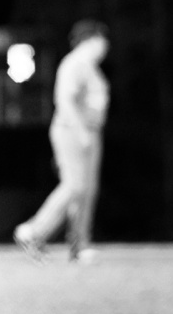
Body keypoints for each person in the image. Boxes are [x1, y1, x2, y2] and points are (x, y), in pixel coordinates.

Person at [12, 19, 110, 263]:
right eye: (102, 40)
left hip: (88, 131)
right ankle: (33, 231)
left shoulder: (89, 66)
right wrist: (80, 132)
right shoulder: (74, 64)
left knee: (86, 191)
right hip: (72, 130)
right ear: (92, 39)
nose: (105, 46)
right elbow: (64, 100)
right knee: (74, 185)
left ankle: (80, 244)